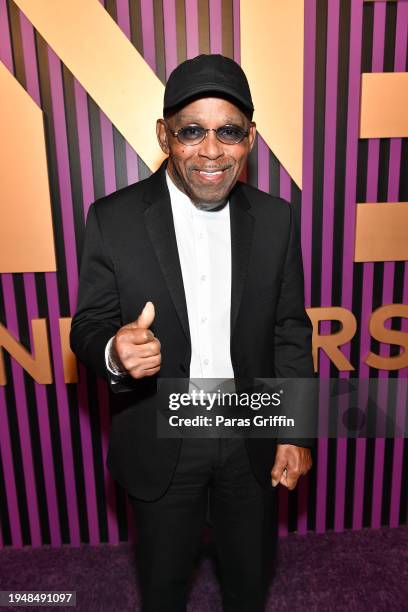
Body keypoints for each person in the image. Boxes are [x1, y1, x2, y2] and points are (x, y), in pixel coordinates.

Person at [70, 54, 314, 612]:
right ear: (164, 134)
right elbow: (89, 324)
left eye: (228, 132)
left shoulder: (277, 219)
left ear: (250, 139)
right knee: (163, 591)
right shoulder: (113, 218)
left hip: (248, 432)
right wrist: (114, 349)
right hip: (160, 436)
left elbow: (289, 329)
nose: (211, 150)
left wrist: (296, 432)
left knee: (249, 588)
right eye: (192, 132)